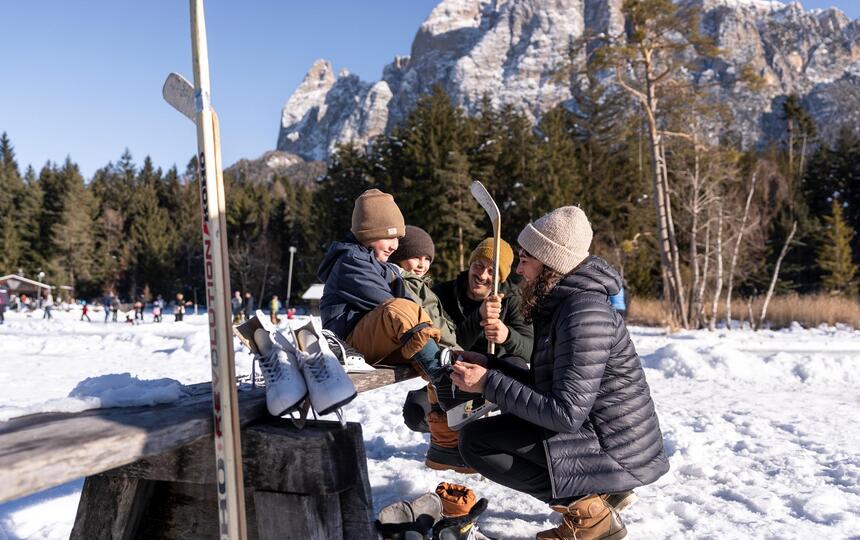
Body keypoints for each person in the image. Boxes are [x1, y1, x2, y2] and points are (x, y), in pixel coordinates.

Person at [451, 206, 669, 540]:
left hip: (616, 451)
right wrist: (490, 365)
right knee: (479, 434)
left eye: (526, 258)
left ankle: (591, 512)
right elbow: (551, 388)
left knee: (478, 442)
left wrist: (487, 383)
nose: (519, 269)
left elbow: (565, 413)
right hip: (599, 434)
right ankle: (595, 497)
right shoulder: (566, 305)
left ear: (550, 263)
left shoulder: (584, 315)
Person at [317, 189, 473, 408]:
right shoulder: (350, 262)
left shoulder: (379, 265)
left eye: (398, 238)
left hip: (377, 341)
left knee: (438, 356)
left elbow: (410, 306)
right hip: (348, 346)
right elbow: (394, 306)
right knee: (400, 310)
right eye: (389, 237)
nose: (395, 246)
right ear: (368, 233)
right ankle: (446, 383)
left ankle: (448, 418)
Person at [389, 225, 466, 472]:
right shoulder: (402, 282)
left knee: (453, 388)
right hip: (429, 344)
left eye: (427, 259)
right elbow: (416, 318)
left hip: (442, 344)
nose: (422, 264)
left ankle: (451, 443)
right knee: (446, 385)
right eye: (416, 257)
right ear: (400, 255)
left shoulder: (420, 284)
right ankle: (447, 446)